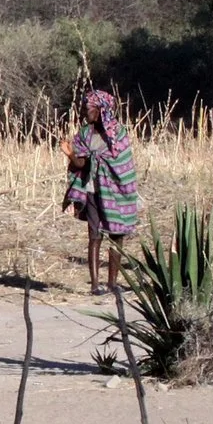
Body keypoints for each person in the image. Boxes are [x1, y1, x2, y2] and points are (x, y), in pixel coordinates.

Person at [62, 89, 140, 296]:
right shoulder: (85, 134)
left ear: (100, 109)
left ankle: (113, 283)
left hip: (115, 192)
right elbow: (82, 164)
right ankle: (95, 285)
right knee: (94, 236)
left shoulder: (118, 134)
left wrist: (98, 160)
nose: (85, 112)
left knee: (116, 236)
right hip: (92, 191)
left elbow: (122, 165)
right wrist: (70, 153)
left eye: (88, 108)